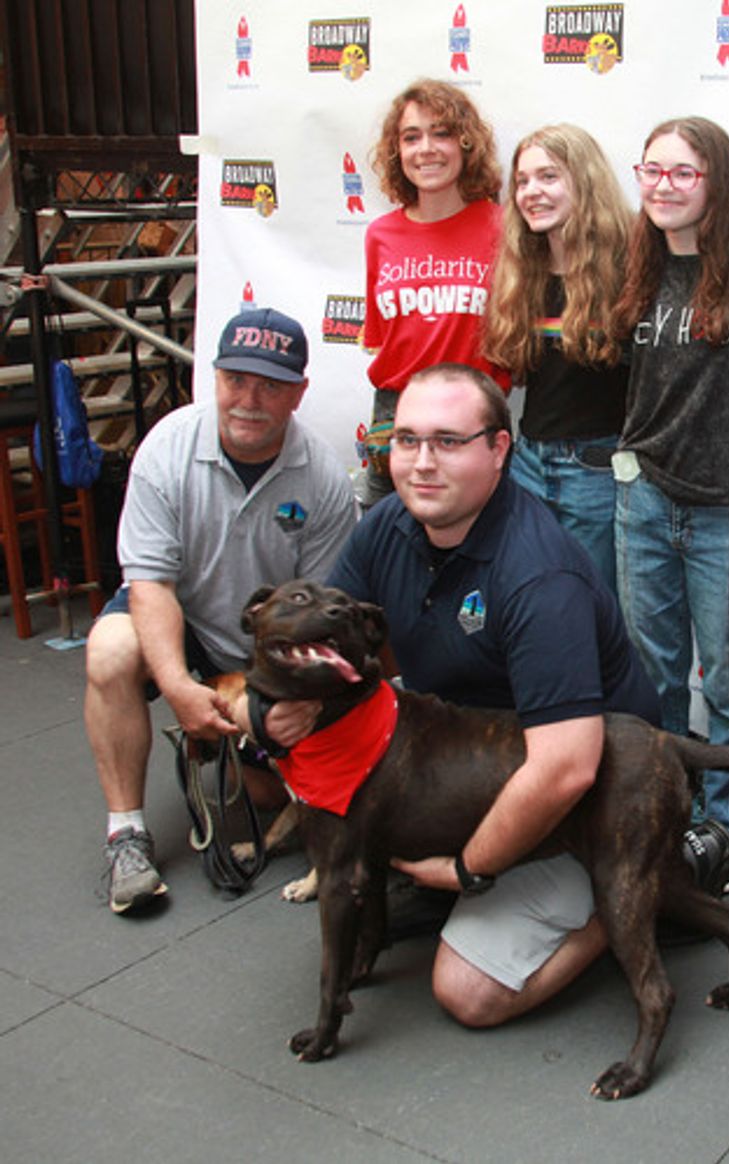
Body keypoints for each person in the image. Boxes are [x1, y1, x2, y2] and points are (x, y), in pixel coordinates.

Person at [319, 363, 660, 1027]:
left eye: (448, 441)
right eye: (407, 440)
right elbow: (335, 654)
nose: (421, 462)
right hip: (475, 763)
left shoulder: (538, 573)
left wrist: (469, 869)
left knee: (467, 994)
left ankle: (643, 894)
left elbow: (566, 768)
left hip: (590, 800)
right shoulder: (385, 528)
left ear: (499, 449)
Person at [86, 307, 357, 914]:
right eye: (236, 379)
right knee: (110, 651)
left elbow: (319, 618)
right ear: (211, 378)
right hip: (179, 619)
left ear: (299, 392)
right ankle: (125, 835)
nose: (249, 400)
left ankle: (235, 744)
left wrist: (276, 701)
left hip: (262, 649)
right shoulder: (166, 449)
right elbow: (150, 586)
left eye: (271, 385)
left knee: (263, 799)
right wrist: (180, 686)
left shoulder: (322, 478)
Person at [611, 116, 729, 890]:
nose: (663, 186)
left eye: (682, 172)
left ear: (718, 181)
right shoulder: (636, 268)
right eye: (652, 171)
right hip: (644, 499)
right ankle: (666, 808)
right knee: (653, 677)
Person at [480, 124, 632, 588]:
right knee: (533, 605)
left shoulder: (629, 268)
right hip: (527, 464)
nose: (531, 192)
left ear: (584, 181)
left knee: (594, 613)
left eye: (548, 177)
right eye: (522, 181)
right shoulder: (519, 272)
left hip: (598, 473)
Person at [360, 78, 510, 507]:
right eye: (411, 137)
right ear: (397, 151)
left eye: (441, 133)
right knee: (385, 549)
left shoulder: (504, 228)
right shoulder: (379, 235)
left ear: (467, 144)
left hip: (473, 417)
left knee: (480, 554)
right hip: (395, 417)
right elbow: (381, 342)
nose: (426, 148)